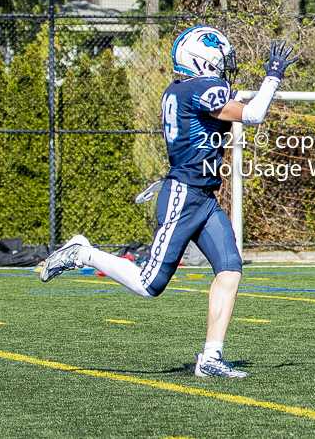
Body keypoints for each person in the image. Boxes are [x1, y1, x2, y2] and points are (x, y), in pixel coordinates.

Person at [40, 26, 298, 378]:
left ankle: (211, 357)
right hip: (184, 194)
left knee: (230, 268)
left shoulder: (183, 89)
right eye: (221, 60)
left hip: (203, 196)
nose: (225, 66)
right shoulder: (202, 89)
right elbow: (253, 114)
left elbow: (234, 106)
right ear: (203, 61)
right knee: (149, 285)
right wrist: (273, 77)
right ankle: (81, 252)